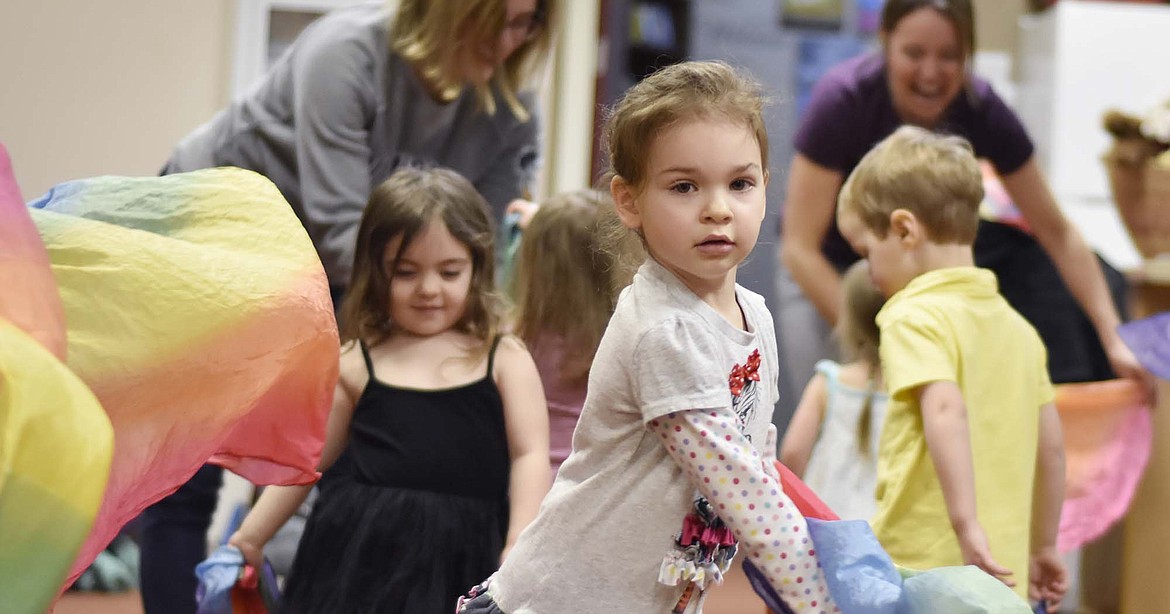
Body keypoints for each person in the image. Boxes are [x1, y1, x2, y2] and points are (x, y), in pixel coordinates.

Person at [139, 2, 555, 611]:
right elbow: (343, 238)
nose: (507, 39)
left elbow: (480, 242)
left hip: (349, 268)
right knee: (188, 469)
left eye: (526, 22)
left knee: (306, 447)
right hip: (220, 238)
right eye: (493, 17)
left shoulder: (511, 107)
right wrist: (385, 354)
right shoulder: (345, 53)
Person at [456, 60, 839, 614]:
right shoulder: (664, 330)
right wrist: (822, 600)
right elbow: (742, 492)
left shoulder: (753, 313)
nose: (717, 209)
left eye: (740, 183)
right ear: (629, 201)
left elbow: (758, 462)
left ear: (764, 189)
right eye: (684, 186)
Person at [774, 0, 1147, 424]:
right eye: (914, 54)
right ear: (885, 43)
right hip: (827, 271)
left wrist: (1113, 335)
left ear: (968, 53)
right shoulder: (843, 100)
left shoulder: (981, 108)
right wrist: (877, 338)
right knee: (837, 422)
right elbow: (799, 248)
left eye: (949, 56)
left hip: (915, 287)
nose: (931, 73)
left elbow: (1056, 232)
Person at [225, 167, 550, 613]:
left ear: (477, 268)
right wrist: (250, 537)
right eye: (406, 272)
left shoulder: (503, 358)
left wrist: (519, 543)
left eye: (450, 271)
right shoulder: (358, 361)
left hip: (464, 558)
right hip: (354, 561)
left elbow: (529, 454)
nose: (429, 289)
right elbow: (308, 464)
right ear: (376, 272)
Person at [837, 125, 1068, 610]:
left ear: (903, 230)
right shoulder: (1020, 330)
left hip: (929, 562)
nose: (870, 273)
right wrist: (1044, 545)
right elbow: (1052, 448)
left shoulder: (911, 315)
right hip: (1003, 573)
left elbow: (945, 409)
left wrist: (965, 525)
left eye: (865, 252)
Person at [509, 188, 641, 477]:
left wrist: (543, 229)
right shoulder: (626, 339)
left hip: (526, 485)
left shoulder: (515, 340)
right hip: (592, 485)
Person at [778, 259, 888, 522]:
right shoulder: (912, 387)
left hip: (827, 523)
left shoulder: (828, 382)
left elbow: (792, 453)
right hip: (888, 524)